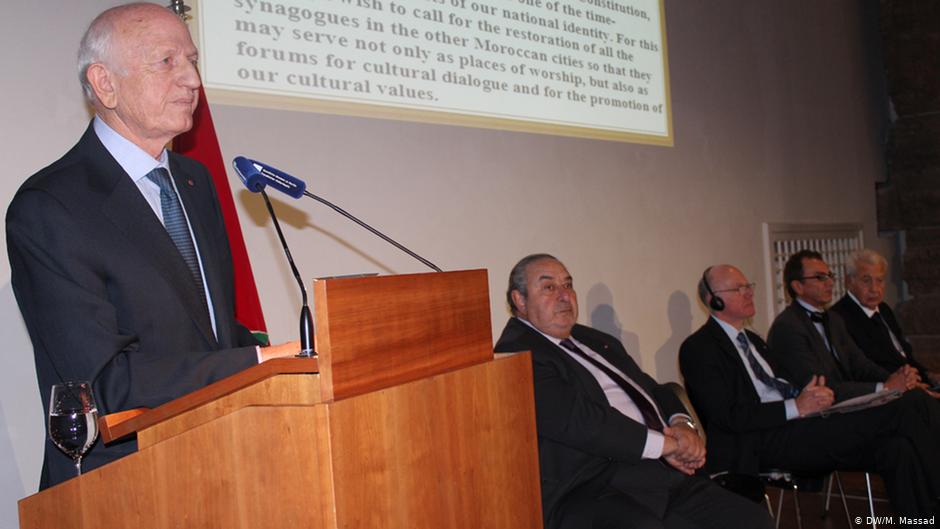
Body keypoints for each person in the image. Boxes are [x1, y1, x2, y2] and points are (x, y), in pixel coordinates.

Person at [6, 2, 299, 489]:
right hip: (122, 482)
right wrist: (256, 362)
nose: (192, 81)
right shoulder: (50, 207)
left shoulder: (193, 181)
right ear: (105, 84)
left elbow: (208, 333)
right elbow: (105, 384)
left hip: (226, 460)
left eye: (193, 61)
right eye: (167, 62)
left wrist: (283, 353)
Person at [494, 254, 773, 529]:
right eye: (549, 287)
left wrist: (682, 425)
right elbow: (583, 422)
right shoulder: (516, 354)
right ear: (520, 300)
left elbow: (651, 388)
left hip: (657, 472)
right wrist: (666, 446)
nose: (565, 295)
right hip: (595, 485)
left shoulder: (593, 339)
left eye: (568, 285)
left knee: (753, 520)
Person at [680, 264, 940, 517]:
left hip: (803, 424)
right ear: (713, 300)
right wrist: (797, 407)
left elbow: (788, 382)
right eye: (739, 289)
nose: (749, 292)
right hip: (761, 441)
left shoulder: (753, 341)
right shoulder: (699, 348)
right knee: (912, 402)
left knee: (898, 448)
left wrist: (813, 396)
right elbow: (728, 416)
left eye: (749, 286)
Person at [766, 249, 920, 402]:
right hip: (821, 412)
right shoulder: (787, 327)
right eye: (820, 277)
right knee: (909, 407)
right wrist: (884, 387)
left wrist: (897, 378)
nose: (830, 283)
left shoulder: (833, 319)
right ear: (798, 287)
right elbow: (819, 386)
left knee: (915, 399)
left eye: (830, 276)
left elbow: (859, 364)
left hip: (847, 401)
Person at [831, 248, 936, 384]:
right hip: (886, 389)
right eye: (866, 280)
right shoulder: (839, 317)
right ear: (849, 282)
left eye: (879, 280)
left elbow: (903, 355)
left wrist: (929, 376)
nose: (874, 289)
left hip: (910, 380)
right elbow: (865, 369)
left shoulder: (884, 309)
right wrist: (910, 384)